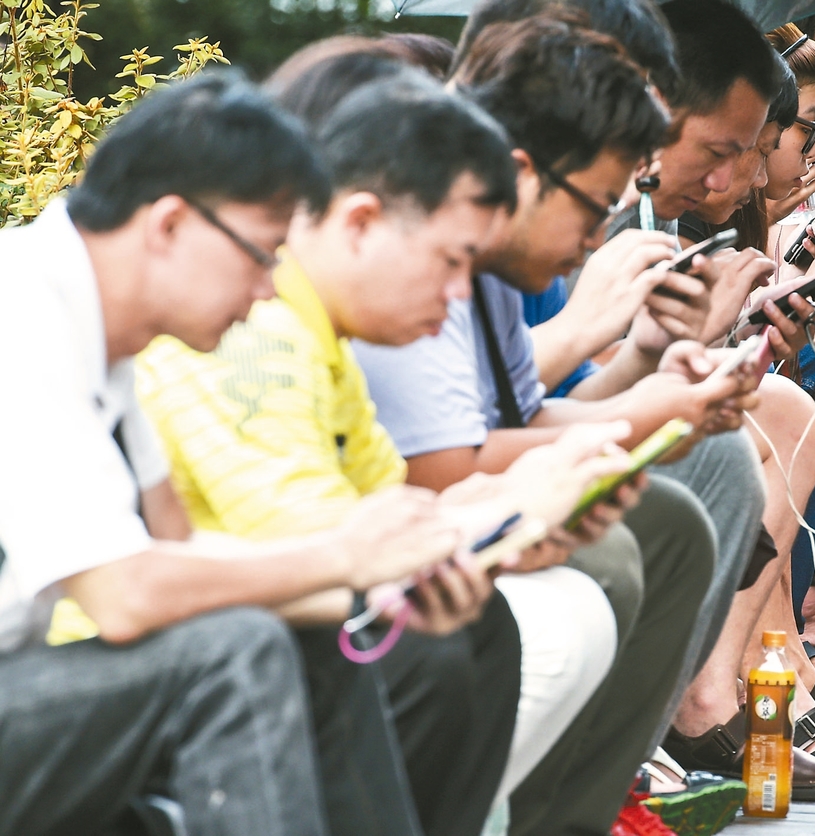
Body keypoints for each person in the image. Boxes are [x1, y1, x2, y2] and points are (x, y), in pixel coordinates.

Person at [0, 71, 481, 836]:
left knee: (300, 632)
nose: (268, 290)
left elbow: (177, 551)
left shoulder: (107, 333)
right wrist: (344, 561)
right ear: (168, 225)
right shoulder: (20, 311)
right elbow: (126, 598)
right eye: (262, 255)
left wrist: (390, 585)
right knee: (236, 649)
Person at [351, 18, 745, 835]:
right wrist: (644, 403)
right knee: (615, 550)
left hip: (419, 513)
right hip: (390, 529)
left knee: (671, 518)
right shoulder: (426, 213)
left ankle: (582, 809)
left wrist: (652, 380)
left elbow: (520, 412)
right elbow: (441, 466)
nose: (602, 229)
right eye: (599, 201)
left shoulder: (493, 228)